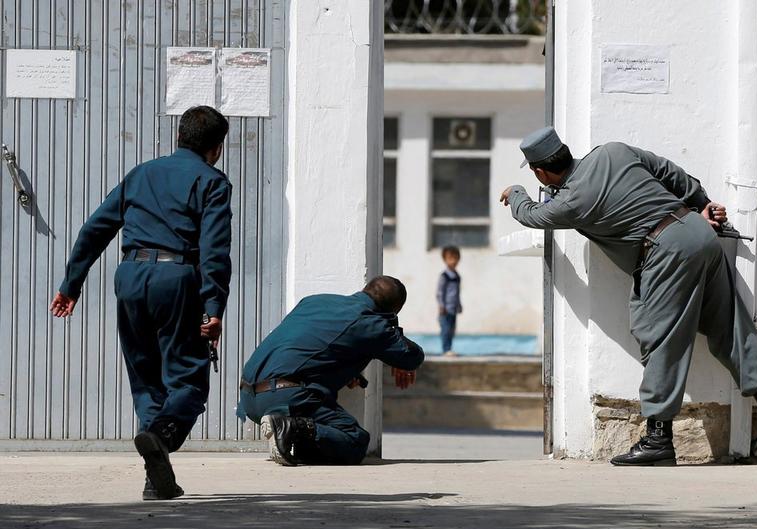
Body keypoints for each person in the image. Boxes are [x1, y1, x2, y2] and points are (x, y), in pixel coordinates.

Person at [500, 127, 757, 466]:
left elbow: (531, 215)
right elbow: (670, 173)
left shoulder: (571, 202)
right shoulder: (612, 151)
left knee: (659, 336)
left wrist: (518, 192)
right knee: (728, 324)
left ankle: (658, 439)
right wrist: (703, 204)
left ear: (540, 172)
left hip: (663, 251)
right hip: (698, 231)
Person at [50, 106, 232, 498]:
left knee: (145, 374)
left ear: (179, 136)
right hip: (177, 278)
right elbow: (215, 251)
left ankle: (156, 478)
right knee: (187, 376)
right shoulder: (212, 182)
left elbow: (95, 228)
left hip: (130, 276)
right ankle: (161, 435)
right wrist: (214, 308)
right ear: (216, 148)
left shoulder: (142, 173)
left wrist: (71, 284)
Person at [238, 276, 424, 466]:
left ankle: (289, 436)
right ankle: (291, 428)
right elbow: (413, 357)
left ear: (365, 289)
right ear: (394, 310)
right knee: (355, 441)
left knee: (319, 442)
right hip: (284, 398)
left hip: (249, 397)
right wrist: (394, 328)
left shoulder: (314, 300)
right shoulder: (371, 324)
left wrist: (345, 369)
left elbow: (309, 347)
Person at [437, 245, 463, 356]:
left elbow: (457, 293)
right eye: (450, 258)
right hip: (445, 309)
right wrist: (441, 305)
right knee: (446, 330)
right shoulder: (444, 276)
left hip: (453, 308)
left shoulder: (457, 276)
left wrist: (459, 304)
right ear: (445, 259)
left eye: (455, 258)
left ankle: (449, 348)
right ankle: (446, 349)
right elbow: (440, 293)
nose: (453, 261)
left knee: (452, 330)